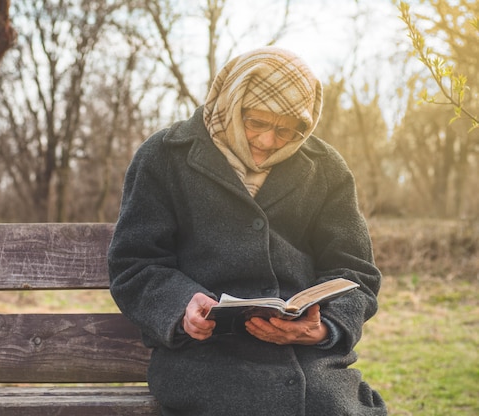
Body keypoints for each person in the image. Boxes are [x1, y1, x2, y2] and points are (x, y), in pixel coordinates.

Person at [108, 46, 387, 416]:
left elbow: (356, 274)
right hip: (205, 359)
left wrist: (323, 329)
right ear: (230, 103)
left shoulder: (326, 169)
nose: (268, 141)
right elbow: (134, 263)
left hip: (304, 359)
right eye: (256, 122)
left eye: (285, 130)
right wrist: (181, 306)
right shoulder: (164, 156)